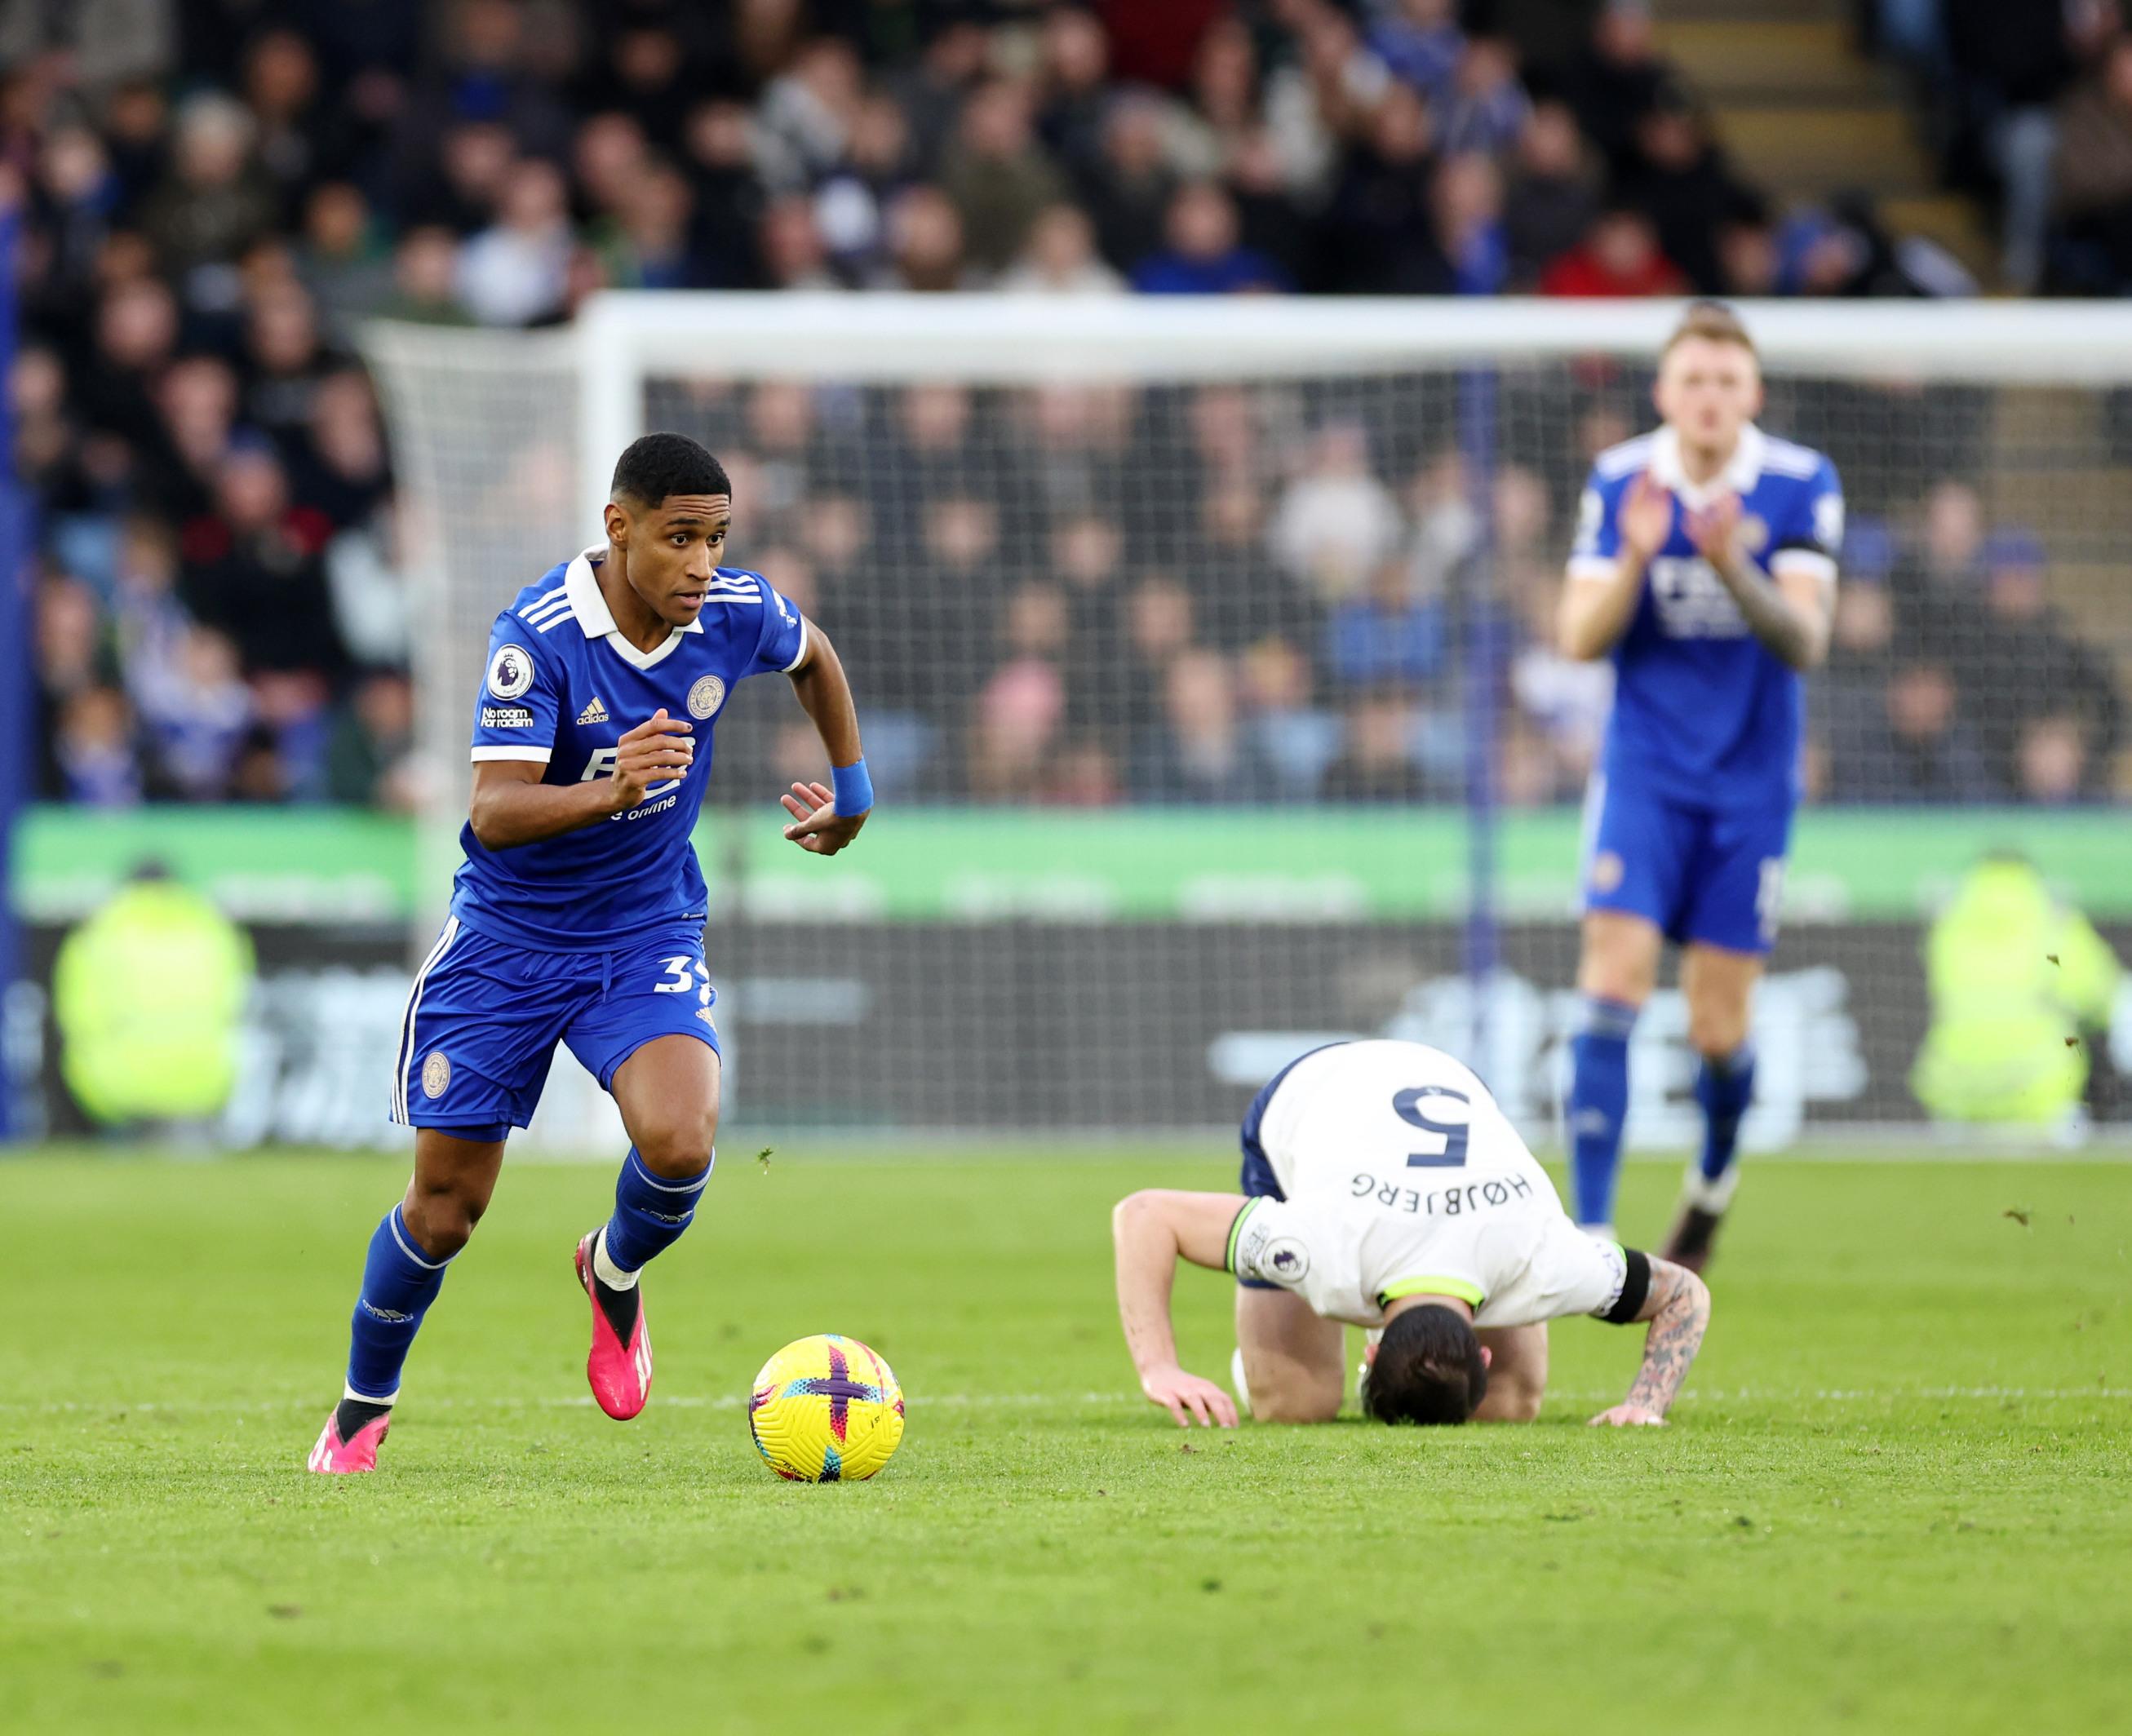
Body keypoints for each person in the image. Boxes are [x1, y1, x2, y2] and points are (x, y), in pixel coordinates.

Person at [308, 433, 875, 1473]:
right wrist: (610, 787)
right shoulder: (540, 636)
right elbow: (492, 813)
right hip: (507, 942)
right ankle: (359, 1408)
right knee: (444, 1211)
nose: (704, 563)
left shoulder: (734, 611)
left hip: (643, 927)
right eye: (681, 538)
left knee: (682, 1140)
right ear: (620, 528)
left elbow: (817, 658)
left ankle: (612, 1272)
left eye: (716, 538)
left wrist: (856, 788)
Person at [1558, 300, 1842, 1270]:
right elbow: (1578, 638)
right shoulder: (1620, 481)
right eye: (1694, 379)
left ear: (1752, 392)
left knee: (1720, 1026)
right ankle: (1590, 1242)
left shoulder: (1801, 485)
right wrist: (1641, 552)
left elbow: (1805, 640)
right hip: (1644, 776)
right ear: (1664, 391)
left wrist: (1732, 561)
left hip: (1751, 790)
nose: (1710, 397)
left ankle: (1713, 1179)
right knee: (1610, 981)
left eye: (1728, 380)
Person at [1110, 1040, 1711, 1429]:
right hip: (1309, 1091)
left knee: (1507, 1409)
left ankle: (1387, 1374)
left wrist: (1644, 1406)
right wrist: (1158, 1368)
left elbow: (1683, 1292)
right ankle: (1268, 1361)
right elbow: (1143, 1217)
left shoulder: (1543, 1259)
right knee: (1293, 1406)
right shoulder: (1319, 1246)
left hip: (1446, 1081)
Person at [1912, 852, 2123, 1133]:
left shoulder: (1949, 923)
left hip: (1956, 1091)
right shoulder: (2055, 923)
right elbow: (2100, 996)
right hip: (2040, 1090)